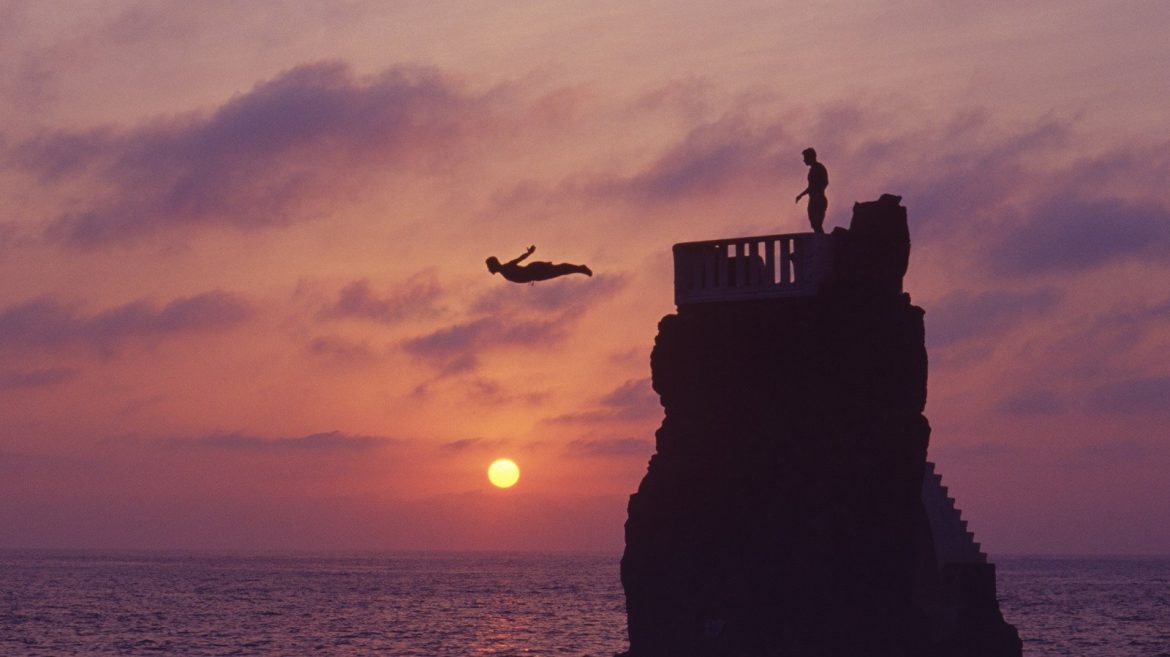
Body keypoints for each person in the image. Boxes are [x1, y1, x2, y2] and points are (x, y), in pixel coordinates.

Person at [486, 245, 593, 283]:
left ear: (494, 265)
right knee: (561, 269)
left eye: (489, 267)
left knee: (561, 269)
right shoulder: (505, 270)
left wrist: (529, 253)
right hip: (535, 273)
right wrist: (529, 253)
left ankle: (581, 268)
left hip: (535, 271)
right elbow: (520, 259)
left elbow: (519, 259)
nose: (489, 270)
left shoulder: (506, 268)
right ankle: (580, 268)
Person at [794, 147, 829, 234]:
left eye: (805, 157)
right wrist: (801, 195)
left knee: (817, 224)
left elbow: (825, 182)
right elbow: (810, 187)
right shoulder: (812, 170)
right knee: (814, 225)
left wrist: (818, 192)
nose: (804, 160)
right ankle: (820, 241)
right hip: (813, 200)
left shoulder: (819, 167)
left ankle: (822, 242)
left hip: (819, 199)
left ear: (811, 157)